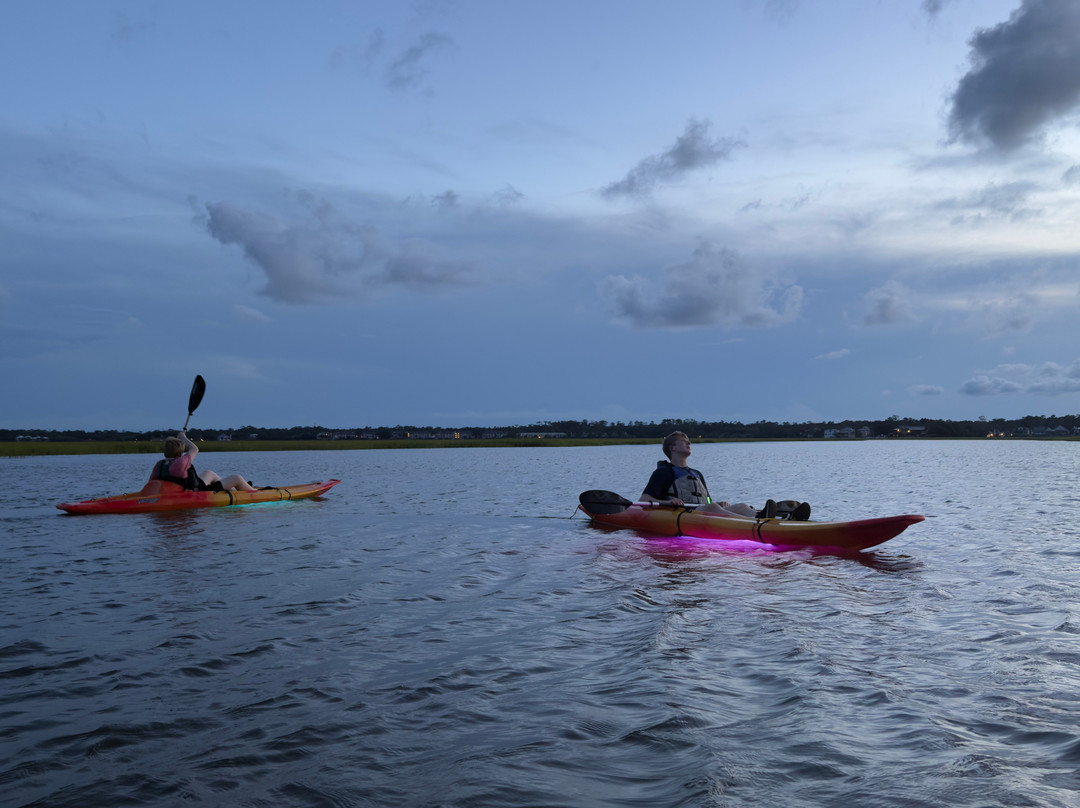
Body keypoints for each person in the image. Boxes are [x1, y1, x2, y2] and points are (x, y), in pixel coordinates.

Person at [641, 431, 810, 519]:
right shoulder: (664, 472)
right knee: (713, 507)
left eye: (688, 441)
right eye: (683, 441)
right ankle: (756, 523)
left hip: (702, 511)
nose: (689, 443)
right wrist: (667, 502)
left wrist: (720, 503)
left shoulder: (697, 473)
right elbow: (643, 500)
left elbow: (706, 500)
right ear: (672, 448)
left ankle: (774, 517)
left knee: (742, 506)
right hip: (682, 514)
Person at [152, 430, 257, 492]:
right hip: (199, 492)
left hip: (191, 487)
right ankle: (255, 493)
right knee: (237, 478)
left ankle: (234, 489)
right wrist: (183, 438)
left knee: (209, 473)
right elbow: (195, 449)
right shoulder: (181, 462)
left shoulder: (159, 465)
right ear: (180, 453)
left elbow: (152, 483)